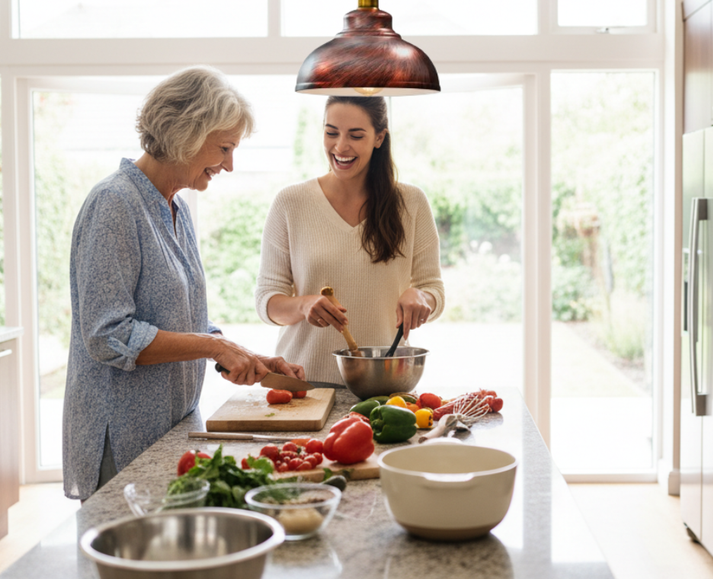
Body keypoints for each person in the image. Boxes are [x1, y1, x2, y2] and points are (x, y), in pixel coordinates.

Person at [63, 66, 304, 501]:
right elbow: (107, 335)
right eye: (225, 148)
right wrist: (214, 347)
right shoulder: (115, 204)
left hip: (171, 427)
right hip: (121, 437)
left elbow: (186, 322)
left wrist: (247, 356)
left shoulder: (176, 208)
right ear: (186, 134)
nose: (230, 165)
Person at [255, 95, 445, 384]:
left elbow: (434, 291)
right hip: (304, 383)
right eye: (331, 132)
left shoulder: (411, 202)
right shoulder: (290, 202)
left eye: (356, 135)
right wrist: (304, 305)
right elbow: (267, 302)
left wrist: (421, 297)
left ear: (379, 137)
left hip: (384, 382)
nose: (340, 147)